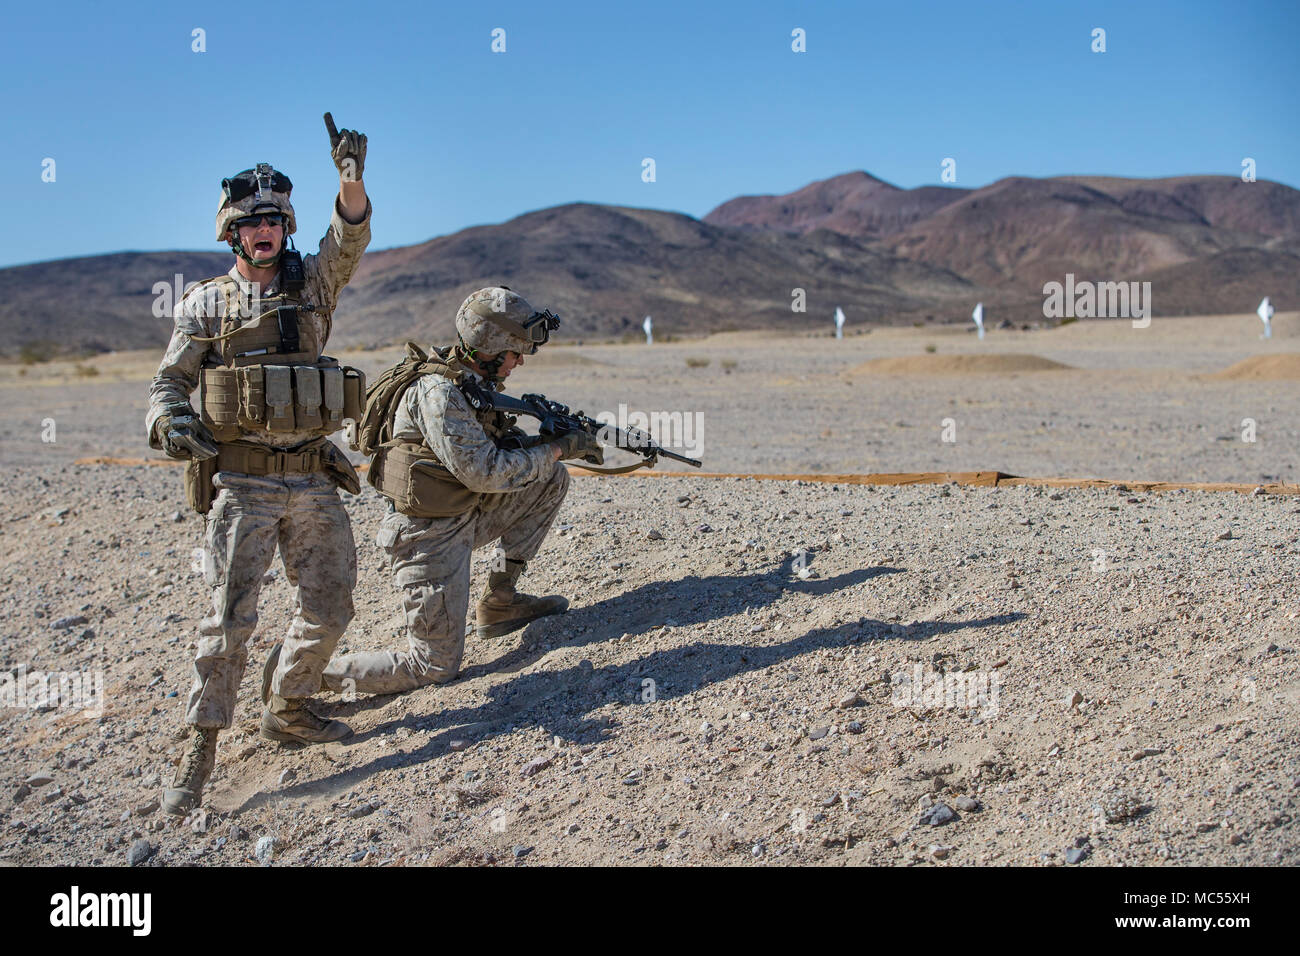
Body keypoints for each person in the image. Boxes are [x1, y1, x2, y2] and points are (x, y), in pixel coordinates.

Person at [148, 114, 372, 816]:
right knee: (229, 621)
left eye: (274, 219)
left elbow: (351, 234)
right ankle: (200, 750)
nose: (264, 229)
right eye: (252, 223)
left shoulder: (315, 286)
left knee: (331, 606)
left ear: (286, 227)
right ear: (232, 233)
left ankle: (289, 704)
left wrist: (350, 177)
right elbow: (166, 385)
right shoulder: (206, 305)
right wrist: (168, 420)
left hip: (309, 475)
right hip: (243, 481)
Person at [275, 287, 601, 697]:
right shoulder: (439, 393)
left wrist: (550, 443)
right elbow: (486, 472)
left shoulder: (471, 381)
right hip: (427, 539)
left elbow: (495, 454)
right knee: (433, 666)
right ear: (491, 346)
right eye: (515, 352)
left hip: (465, 513)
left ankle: (501, 600)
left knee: (549, 479)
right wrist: (555, 449)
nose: (519, 362)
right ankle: (305, 672)